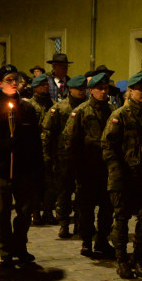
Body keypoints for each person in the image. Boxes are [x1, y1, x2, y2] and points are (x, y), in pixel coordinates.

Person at [0, 65, 45, 269]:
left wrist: (37, 169)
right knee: (3, 213)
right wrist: (4, 146)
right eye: (9, 80)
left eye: (16, 79)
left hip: (24, 171)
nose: (14, 83)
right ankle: (5, 251)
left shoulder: (27, 109)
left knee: (24, 212)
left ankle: (20, 247)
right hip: (2, 171)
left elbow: (35, 142)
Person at [103, 71, 142, 279]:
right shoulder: (119, 116)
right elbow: (108, 147)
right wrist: (119, 173)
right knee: (122, 218)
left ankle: (138, 258)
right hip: (123, 176)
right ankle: (122, 259)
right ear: (130, 91)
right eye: (140, 89)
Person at [62, 69, 116, 259]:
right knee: (85, 209)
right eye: (99, 89)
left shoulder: (111, 112)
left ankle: (102, 240)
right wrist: (74, 169)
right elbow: (69, 141)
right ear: (90, 90)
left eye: (105, 88)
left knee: (107, 209)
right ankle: (86, 241)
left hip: (106, 169)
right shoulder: (82, 111)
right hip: (87, 169)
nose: (103, 92)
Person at [43, 75, 87, 237]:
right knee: (64, 192)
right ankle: (63, 223)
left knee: (82, 193)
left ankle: (80, 223)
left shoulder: (88, 107)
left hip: (84, 158)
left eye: (84, 89)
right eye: (78, 89)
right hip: (63, 158)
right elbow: (47, 133)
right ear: (70, 89)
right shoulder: (60, 108)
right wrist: (47, 156)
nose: (82, 92)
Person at [23, 74, 54, 225]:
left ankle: (48, 211)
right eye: (42, 85)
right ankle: (35, 212)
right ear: (35, 88)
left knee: (50, 183)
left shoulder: (51, 104)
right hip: (35, 149)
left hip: (50, 149)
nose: (46, 88)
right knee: (34, 183)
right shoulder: (29, 106)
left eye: (47, 85)